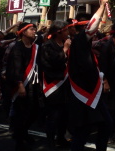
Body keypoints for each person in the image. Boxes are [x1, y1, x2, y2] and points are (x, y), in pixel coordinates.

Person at [67, 0, 113, 151]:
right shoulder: (80, 39)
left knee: (104, 124)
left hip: (92, 91)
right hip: (84, 92)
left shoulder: (83, 44)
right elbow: (92, 27)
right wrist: (101, 6)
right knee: (83, 130)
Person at [6, 22, 42, 151]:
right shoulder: (17, 47)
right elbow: (16, 67)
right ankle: (19, 140)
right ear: (23, 32)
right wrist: (20, 84)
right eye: (32, 29)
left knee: (34, 112)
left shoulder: (35, 47)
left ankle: (23, 132)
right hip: (22, 85)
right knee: (21, 114)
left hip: (34, 85)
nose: (34, 31)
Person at [39, 20, 71, 148]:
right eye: (66, 30)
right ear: (59, 32)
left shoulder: (63, 42)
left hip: (65, 84)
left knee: (64, 114)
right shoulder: (47, 46)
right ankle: (50, 140)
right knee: (54, 115)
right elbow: (52, 63)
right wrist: (65, 49)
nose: (68, 33)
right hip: (53, 85)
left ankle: (61, 137)